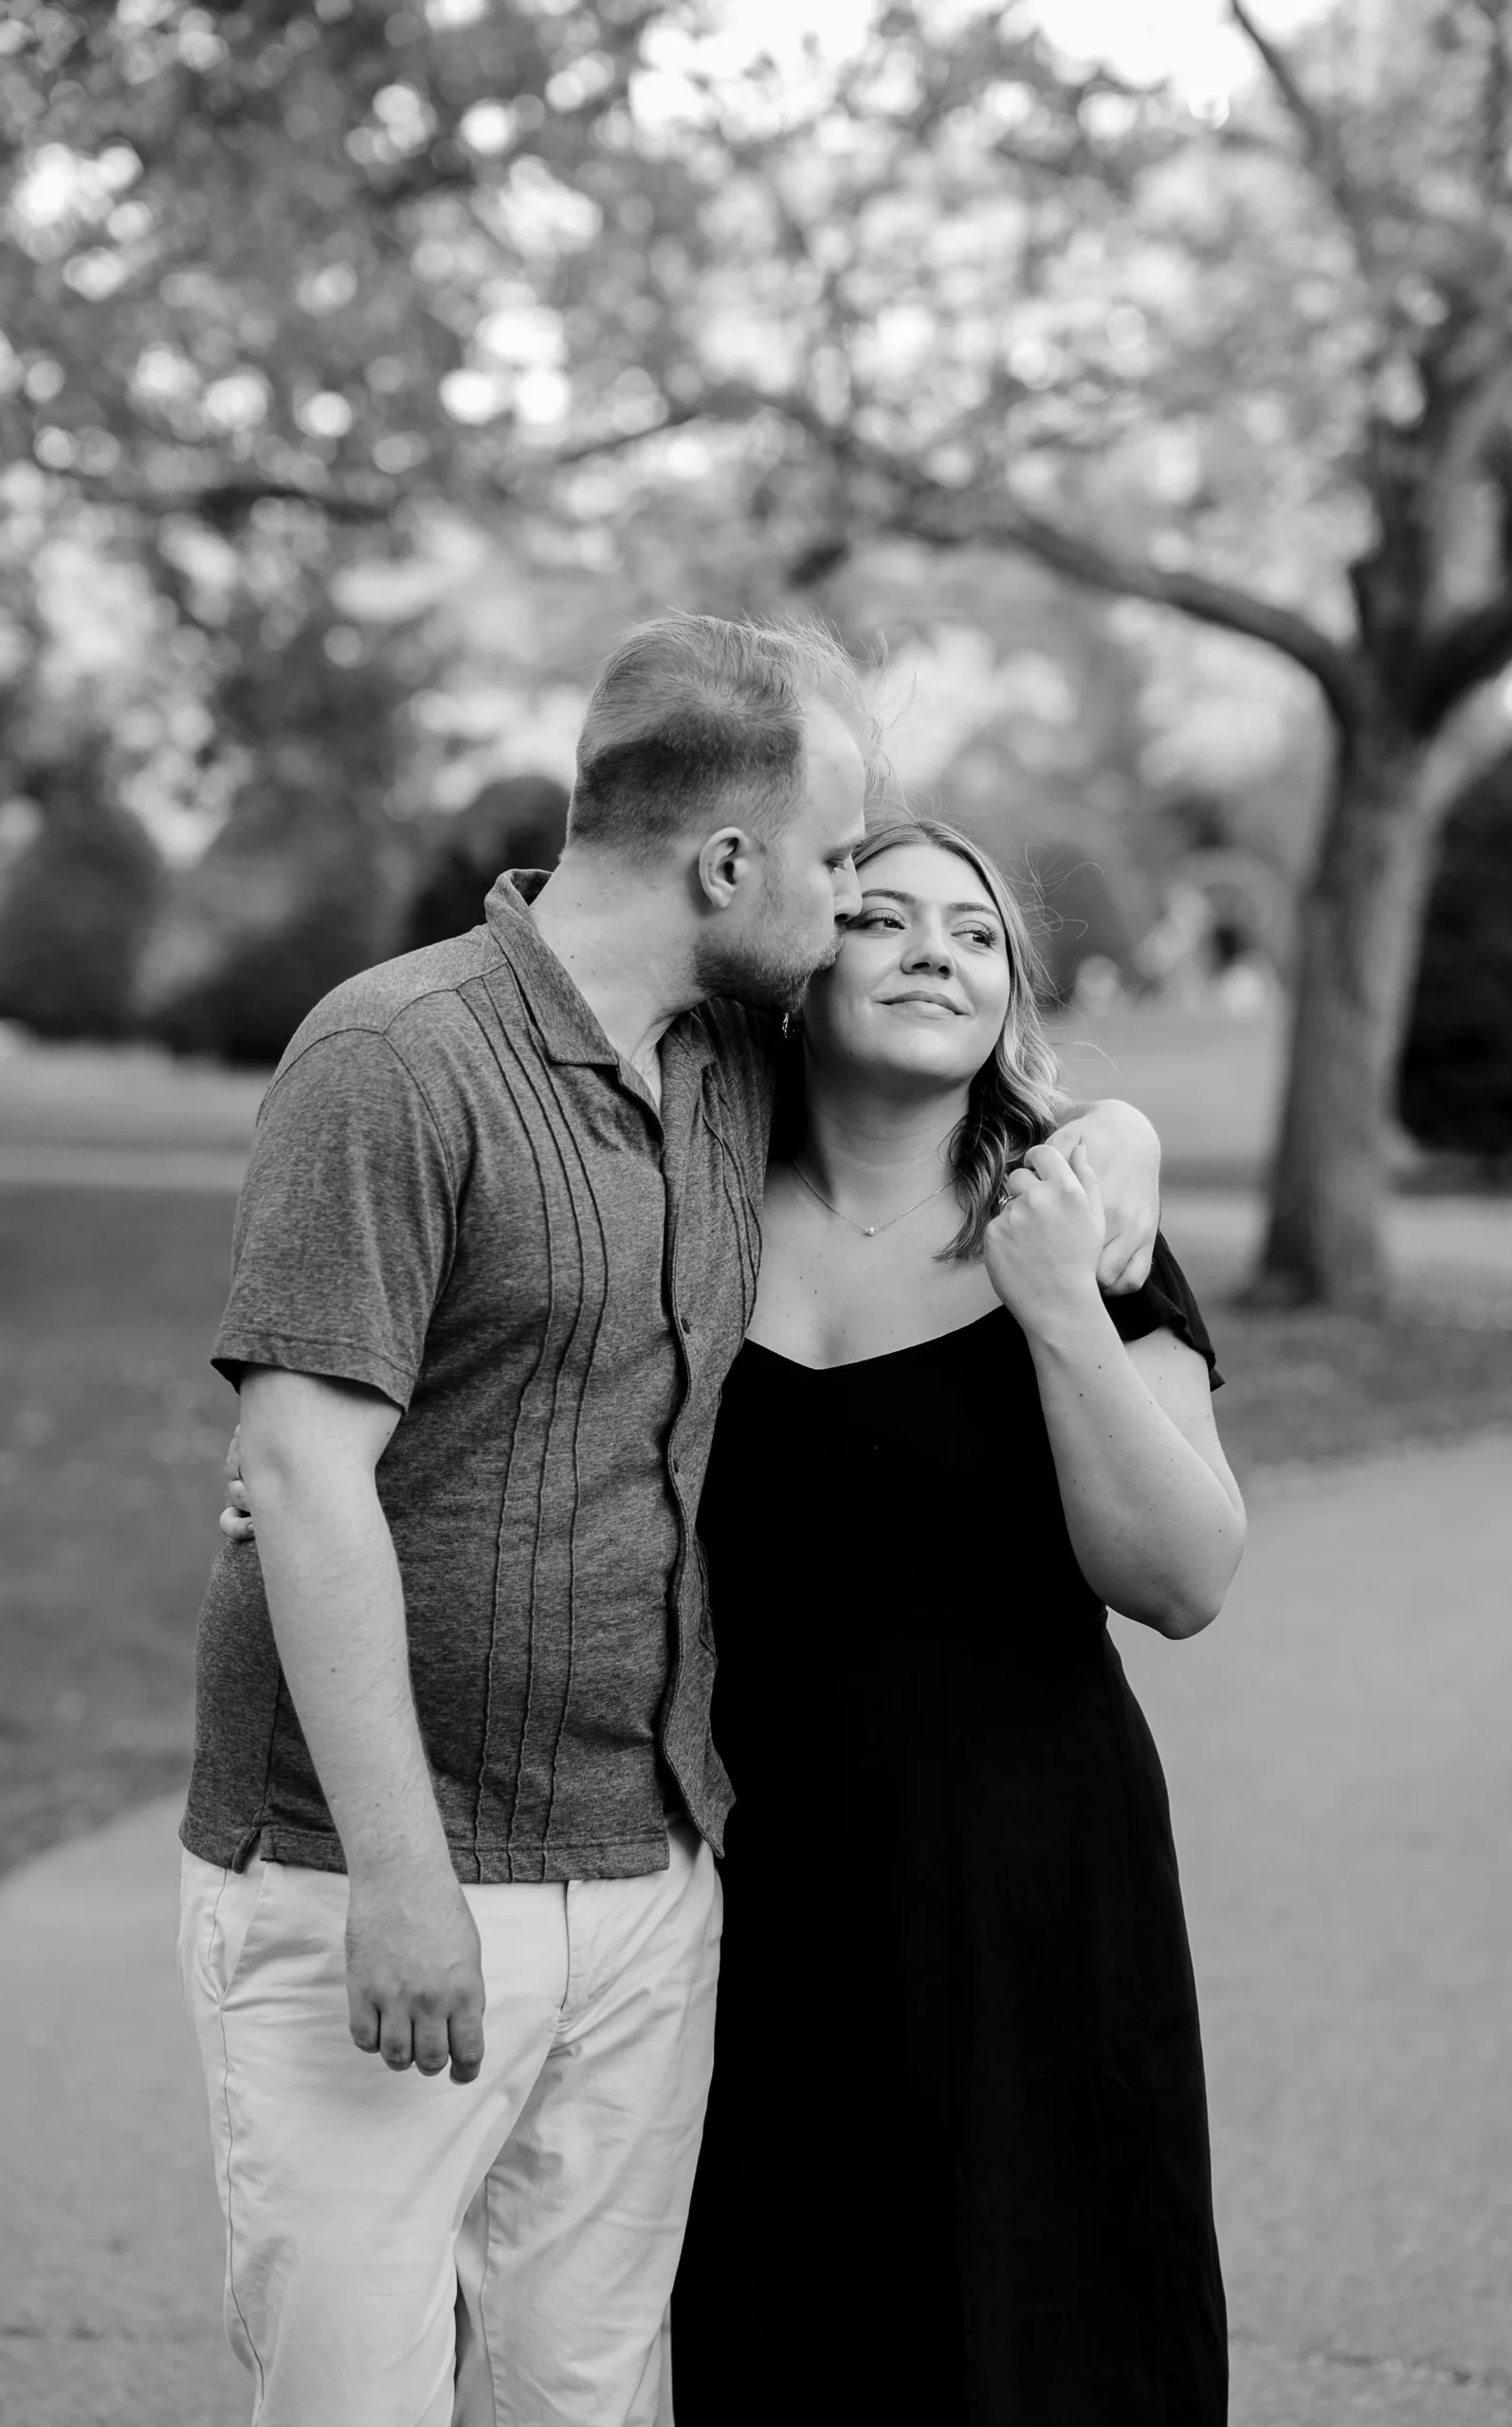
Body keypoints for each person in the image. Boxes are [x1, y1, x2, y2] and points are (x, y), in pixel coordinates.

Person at [186, 613, 1165, 2427]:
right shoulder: (393, 1055)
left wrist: (1116, 1142)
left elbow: (958, 1073)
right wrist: (402, 1879)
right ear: (728, 865)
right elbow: (309, 1472)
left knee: (588, 2396)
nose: (856, 902)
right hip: (382, 1874)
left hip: (648, 1873)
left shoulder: (723, 1073)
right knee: (353, 2396)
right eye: (837, 865)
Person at [669, 815, 1246, 2427]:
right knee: (779, 2344)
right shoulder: (686, 1227)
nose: (937, 950)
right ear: (799, 966)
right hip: (749, 1898)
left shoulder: (1081, 1231)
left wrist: (1056, 1305)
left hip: (1027, 1893)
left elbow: (1184, 1578)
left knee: (1038, 2338)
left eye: (977, 933)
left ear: (1009, 999)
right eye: (881, 918)